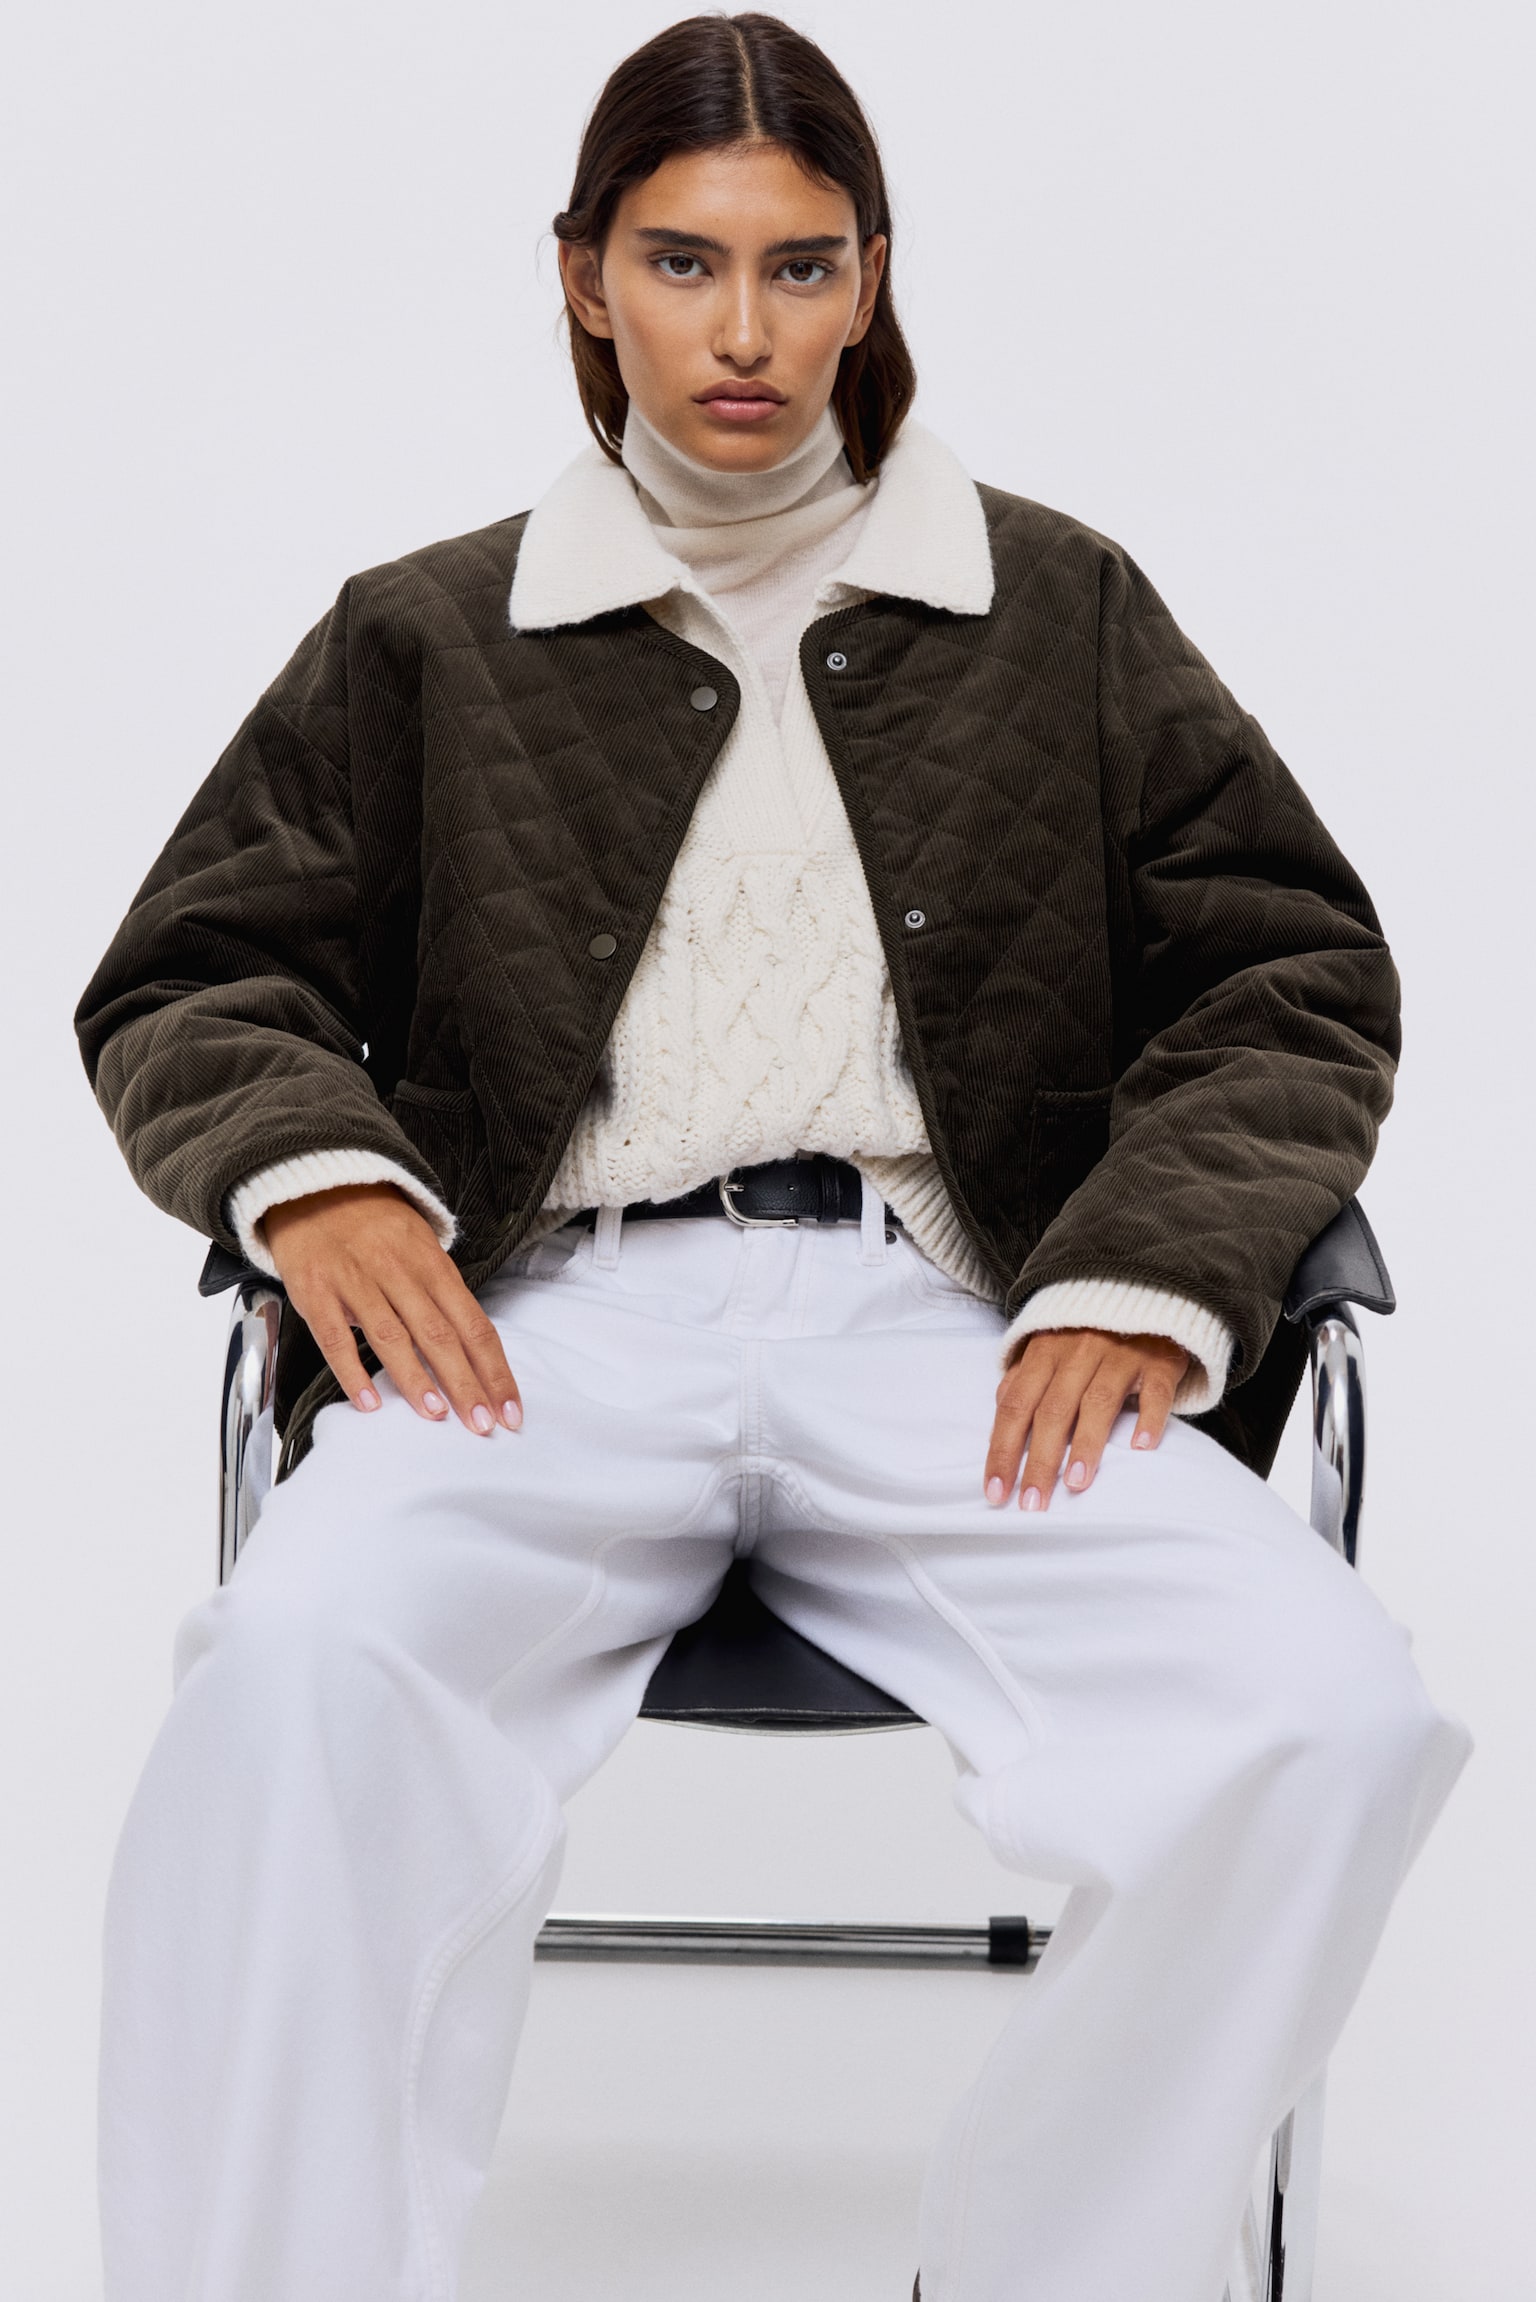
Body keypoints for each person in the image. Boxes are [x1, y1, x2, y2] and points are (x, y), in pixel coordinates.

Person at [74, 14, 1470, 2301]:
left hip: (957, 1325)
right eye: (683, 261)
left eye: (800, 266)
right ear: (584, 276)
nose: (743, 330)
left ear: (870, 280)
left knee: (1330, 1715)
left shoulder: (1056, 606)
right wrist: (310, 1170)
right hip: (540, 1330)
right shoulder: (429, 632)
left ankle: (1044, 2268)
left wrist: (1147, 1262)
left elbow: (1292, 973)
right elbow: (196, 970)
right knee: (293, 1672)